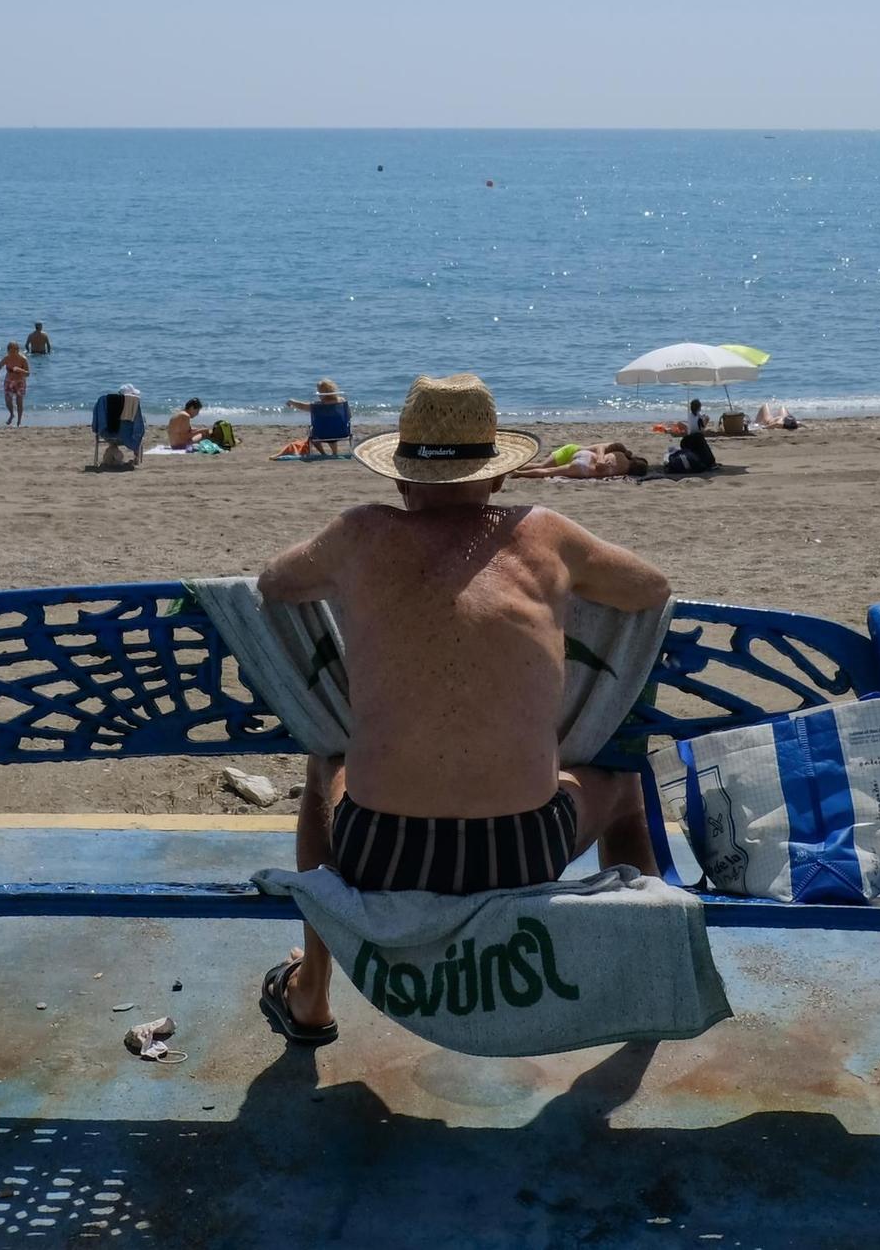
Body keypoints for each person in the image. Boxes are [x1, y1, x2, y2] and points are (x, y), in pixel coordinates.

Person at [255, 373, 670, 1045]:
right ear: (500, 476)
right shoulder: (546, 535)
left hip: (379, 849)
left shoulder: (358, 534)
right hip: (523, 851)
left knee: (322, 764)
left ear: (399, 478)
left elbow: (274, 583)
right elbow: (652, 587)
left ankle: (312, 994)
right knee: (621, 786)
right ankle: (646, 986)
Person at [512, 441, 646, 479]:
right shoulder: (621, 460)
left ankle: (513, 469)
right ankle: (516, 471)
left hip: (584, 455)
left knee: (543, 467)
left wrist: (601, 460)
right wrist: (600, 461)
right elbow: (601, 447)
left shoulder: (620, 454)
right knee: (546, 468)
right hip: (575, 455)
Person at [284, 379, 350, 454]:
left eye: (318, 391)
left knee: (314, 433)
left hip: (321, 434)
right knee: (332, 426)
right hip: (341, 432)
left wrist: (291, 401)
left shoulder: (317, 405)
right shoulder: (342, 401)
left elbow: (302, 406)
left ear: (322, 393)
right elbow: (349, 416)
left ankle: (323, 453)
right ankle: (335, 452)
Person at [0, 341, 32, 426]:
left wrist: (20, 370)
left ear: (18, 350)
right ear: (8, 351)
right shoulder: (7, 358)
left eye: (15, 350)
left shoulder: (23, 359)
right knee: (8, 401)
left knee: (19, 402)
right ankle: (11, 414)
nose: (13, 352)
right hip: (9, 381)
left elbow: (28, 374)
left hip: (20, 382)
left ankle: (19, 421)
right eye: (11, 351)